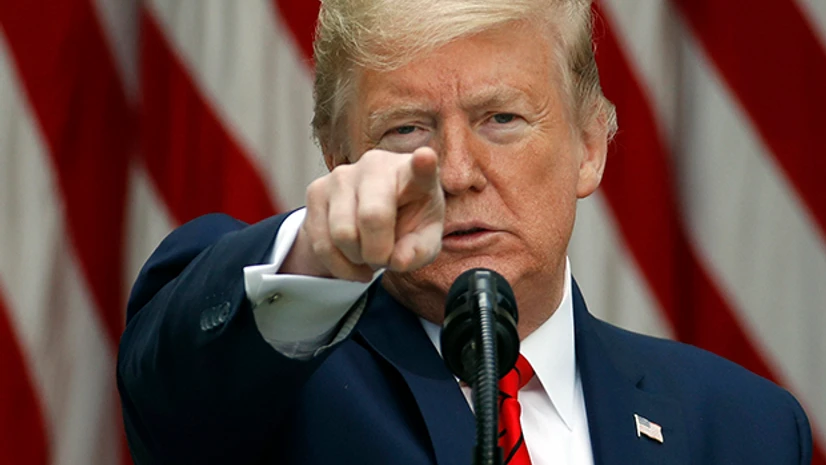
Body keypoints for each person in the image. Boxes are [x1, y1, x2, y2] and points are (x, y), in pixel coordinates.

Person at [117, 0, 813, 464]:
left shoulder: (743, 428)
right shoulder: (279, 384)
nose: (454, 172)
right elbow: (168, 385)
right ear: (340, 162)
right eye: (407, 129)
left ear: (590, 146)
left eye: (500, 119)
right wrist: (319, 252)